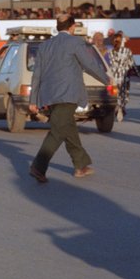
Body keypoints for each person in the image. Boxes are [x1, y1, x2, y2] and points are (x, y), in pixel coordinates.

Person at [28, 15, 111, 183]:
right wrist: (107, 79)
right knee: (58, 131)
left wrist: (33, 100)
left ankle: (81, 165)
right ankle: (38, 166)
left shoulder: (45, 46)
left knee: (67, 127)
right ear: (72, 27)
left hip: (49, 96)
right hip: (68, 94)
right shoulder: (75, 42)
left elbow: (37, 75)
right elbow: (89, 65)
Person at [107, 32, 135, 121]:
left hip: (113, 75)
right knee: (123, 93)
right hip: (123, 75)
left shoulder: (110, 52)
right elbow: (131, 63)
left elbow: (109, 64)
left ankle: (115, 107)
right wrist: (124, 67)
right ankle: (120, 108)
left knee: (113, 93)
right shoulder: (127, 51)